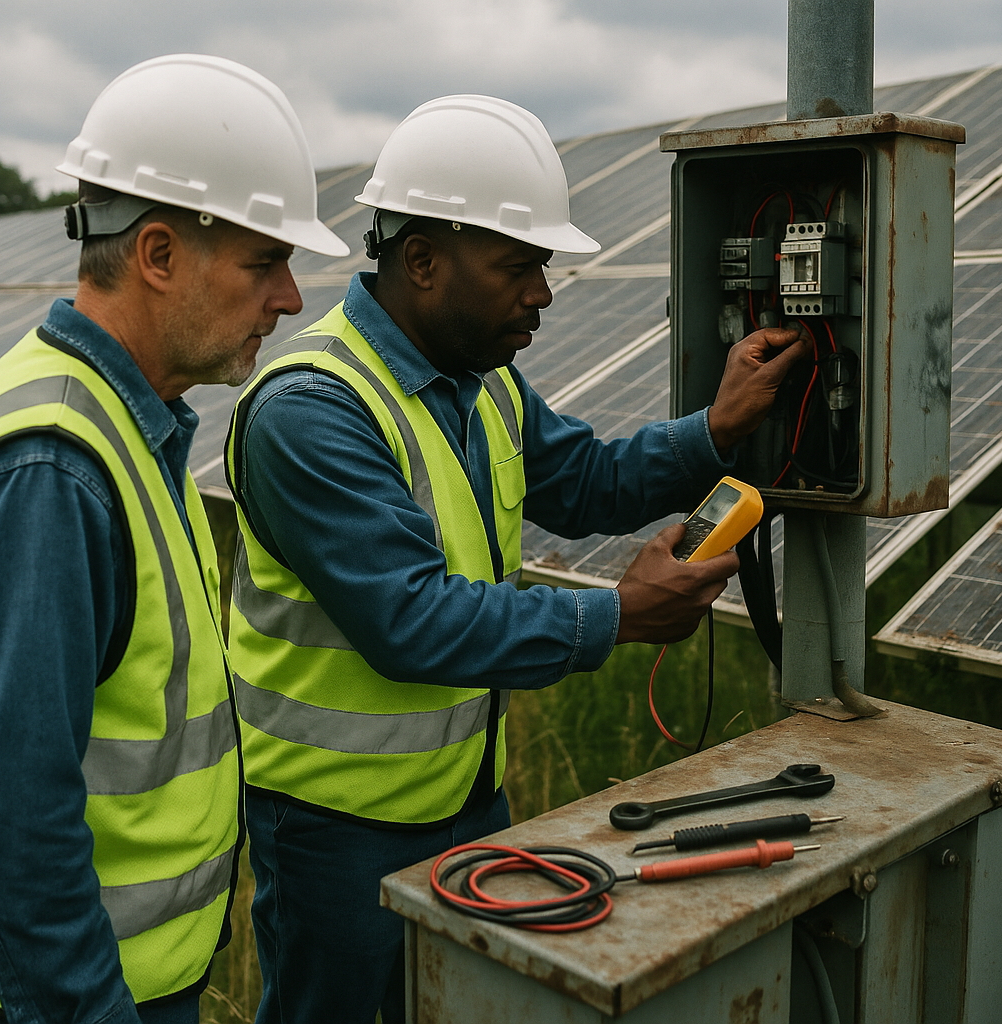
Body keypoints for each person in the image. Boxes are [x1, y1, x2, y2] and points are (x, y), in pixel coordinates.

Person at [224, 94, 807, 1024]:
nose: (542, 292)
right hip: (335, 830)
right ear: (423, 260)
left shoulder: (483, 380)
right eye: (520, 267)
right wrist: (616, 616)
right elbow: (410, 620)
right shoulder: (312, 409)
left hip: (466, 798)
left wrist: (714, 429)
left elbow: (584, 481)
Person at [0, 54, 348, 1024]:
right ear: (156, 254)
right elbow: (15, 826)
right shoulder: (54, 467)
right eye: (264, 262)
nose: (291, 299)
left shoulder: (129, 422)